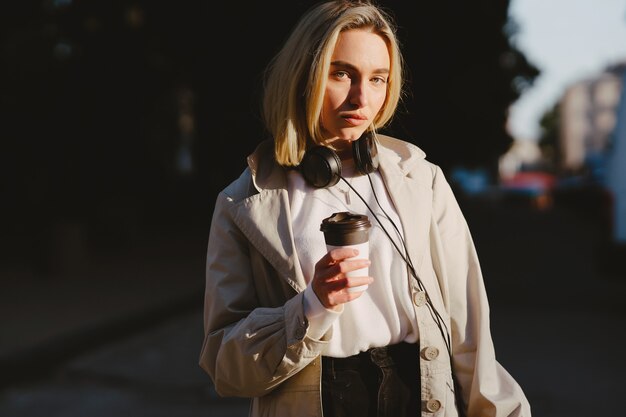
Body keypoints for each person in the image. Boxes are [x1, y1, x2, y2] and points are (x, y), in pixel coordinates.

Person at [198, 1, 531, 416]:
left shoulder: (421, 180)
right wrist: (310, 306)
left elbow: (468, 331)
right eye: (341, 73)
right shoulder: (244, 202)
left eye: (377, 79)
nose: (361, 96)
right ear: (303, 76)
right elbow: (224, 366)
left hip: (423, 397)